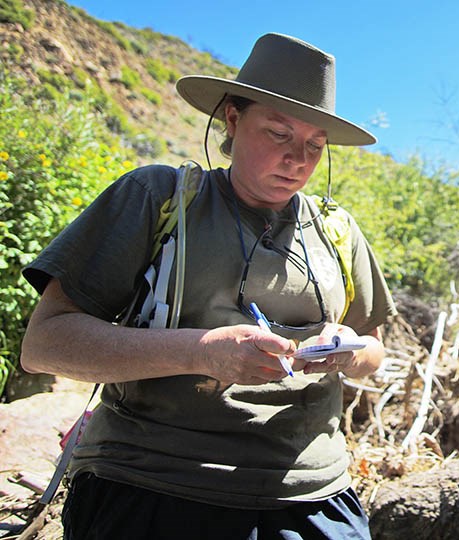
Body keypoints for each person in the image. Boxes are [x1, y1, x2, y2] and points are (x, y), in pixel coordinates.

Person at [20, 33, 396, 539]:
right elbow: (45, 344)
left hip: (315, 496)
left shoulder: (338, 231)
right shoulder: (156, 198)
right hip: (152, 486)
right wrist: (201, 352)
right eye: (279, 134)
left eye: (314, 145)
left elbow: (375, 350)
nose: (298, 160)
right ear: (233, 120)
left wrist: (348, 354)